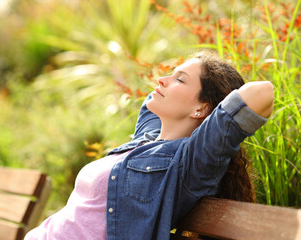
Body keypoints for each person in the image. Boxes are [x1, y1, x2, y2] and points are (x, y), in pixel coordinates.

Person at [24, 51, 274, 240]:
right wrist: (181, 79)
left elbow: (262, 93)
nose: (163, 79)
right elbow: (150, 101)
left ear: (201, 108)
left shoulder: (190, 162)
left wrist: (215, 120)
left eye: (180, 80)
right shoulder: (146, 139)